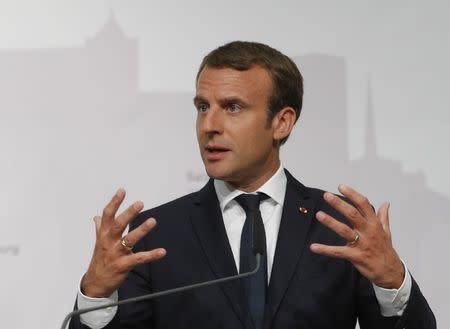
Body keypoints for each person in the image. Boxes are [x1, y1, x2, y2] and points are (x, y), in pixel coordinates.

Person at [69, 41, 435, 329]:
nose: (209, 125)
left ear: (282, 122)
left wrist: (393, 285)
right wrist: (96, 297)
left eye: (232, 107)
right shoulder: (155, 234)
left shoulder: (341, 227)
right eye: (202, 107)